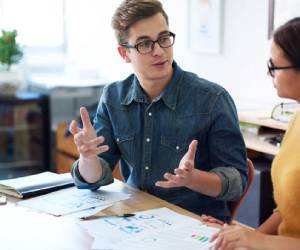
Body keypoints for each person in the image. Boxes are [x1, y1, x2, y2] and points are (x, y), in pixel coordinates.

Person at [69, 0, 248, 222]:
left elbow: (237, 183)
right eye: (145, 44)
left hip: (195, 225)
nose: (159, 51)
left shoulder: (212, 99)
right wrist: (88, 158)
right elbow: (94, 179)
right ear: (124, 53)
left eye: (164, 39)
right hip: (136, 221)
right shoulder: (114, 97)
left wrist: (194, 179)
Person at [210, 17, 300, 250]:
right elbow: (290, 210)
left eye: (274, 66)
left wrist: (258, 240)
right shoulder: (296, 119)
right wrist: (241, 236)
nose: (268, 73)